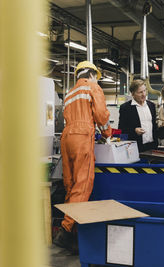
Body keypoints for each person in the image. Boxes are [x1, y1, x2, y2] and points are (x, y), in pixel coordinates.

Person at [54, 61, 112, 251]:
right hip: (81, 136)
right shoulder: (92, 87)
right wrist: (107, 134)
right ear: (93, 74)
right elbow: (101, 115)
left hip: (66, 137)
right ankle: (66, 229)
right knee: (83, 183)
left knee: (70, 184)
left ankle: (74, 236)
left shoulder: (70, 92)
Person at [118, 79, 158, 152]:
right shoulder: (126, 108)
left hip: (152, 147)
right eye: (140, 92)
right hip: (136, 148)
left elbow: (154, 126)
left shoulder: (151, 105)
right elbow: (121, 129)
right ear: (133, 94)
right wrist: (134, 131)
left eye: (144, 91)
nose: (144, 94)